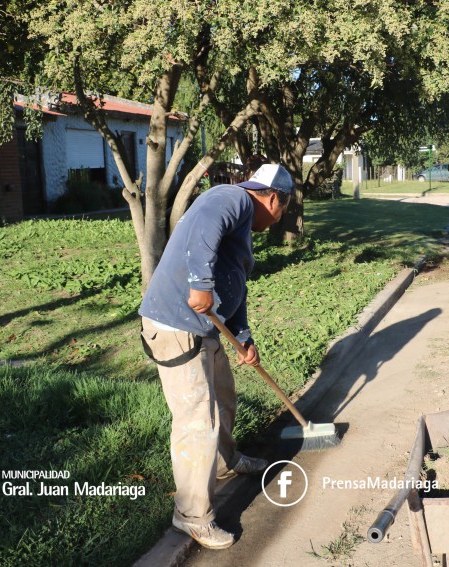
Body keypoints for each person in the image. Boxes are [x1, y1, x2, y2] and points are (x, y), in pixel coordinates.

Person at [139, 164, 293, 549]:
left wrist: (244, 337)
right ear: (273, 197)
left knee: (223, 398)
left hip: (203, 328)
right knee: (197, 420)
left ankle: (225, 463)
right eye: (284, 209)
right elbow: (206, 222)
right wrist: (200, 284)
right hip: (177, 325)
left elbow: (233, 284)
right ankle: (191, 515)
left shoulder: (241, 225)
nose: (279, 218)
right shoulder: (231, 198)